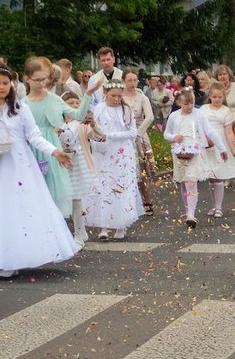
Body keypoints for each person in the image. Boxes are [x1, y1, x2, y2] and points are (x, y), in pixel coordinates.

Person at [0, 65, 78, 277]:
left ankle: (17, 258)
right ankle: (0, 256)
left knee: (18, 206)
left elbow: (34, 136)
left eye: (5, 83)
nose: (1, 87)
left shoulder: (20, 108)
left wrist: (54, 151)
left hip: (18, 163)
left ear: (11, 83)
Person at [22, 56, 92, 218]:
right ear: (27, 79)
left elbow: (78, 115)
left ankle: (54, 224)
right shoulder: (23, 103)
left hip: (52, 147)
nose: (41, 83)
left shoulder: (53, 99)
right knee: (34, 188)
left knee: (54, 187)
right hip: (31, 147)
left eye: (44, 79)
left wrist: (88, 94)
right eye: (37, 80)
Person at [86, 80, 144, 240]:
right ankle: (103, 226)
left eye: (119, 96)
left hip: (121, 152)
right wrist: (97, 136)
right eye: (113, 96)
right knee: (103, 186)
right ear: (106, 93)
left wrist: (110, 135)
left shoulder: (126, 110)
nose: (116, 99)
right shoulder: (99, 108)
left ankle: (121, 224)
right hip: (103, 152)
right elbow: (93, 128)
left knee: (121, 186)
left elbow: (132, 132)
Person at [165, 87, 227, 227]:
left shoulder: (199, 114)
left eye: (192, 103)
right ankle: (188, 209)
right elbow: (166, 134)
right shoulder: (174, 116)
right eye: (186, 104)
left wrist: (222, 148)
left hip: (195, 151)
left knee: (191, 181)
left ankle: (191, 214)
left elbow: (210, 131)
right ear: (179, 103)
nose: (189, 106)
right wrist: (174, 137)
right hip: (180, 152)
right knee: (184, 181)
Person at [59, 92, 104, 246]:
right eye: (70, 103)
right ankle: (79, 231)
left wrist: (94, 124)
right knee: (64, 198)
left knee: (76, 199)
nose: (75, 106)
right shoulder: (57, 123)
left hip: (79, 163)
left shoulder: (82, 124)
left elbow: (99, 136)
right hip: (62, 163)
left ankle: (78, 233)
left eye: (77, 103)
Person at [200, 82, 235, 215]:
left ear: (224, 97)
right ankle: (214, 206)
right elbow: (199, 127)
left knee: (219, 176)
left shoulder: (226, 111)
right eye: (214, 97)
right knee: (211, 176)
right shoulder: (203, 110)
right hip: (207, 143)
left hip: (221, 144)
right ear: (210, 96)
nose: (217, 99)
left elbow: (229, 132)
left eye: (220, 97)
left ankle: (218, 207)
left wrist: (233, 150)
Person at [121, 68, 156, 216]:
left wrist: (138, 133)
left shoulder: (142, 97)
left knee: (142, 170)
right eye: (129, 80)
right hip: (123, 135)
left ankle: (146, 200)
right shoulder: (119, 96)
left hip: (139, 134)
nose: (132, 83)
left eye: (135, 80)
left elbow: (150, 117)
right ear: (123, 81)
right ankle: (127, 202)